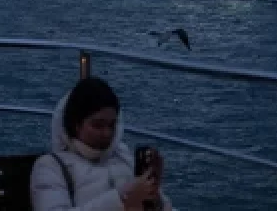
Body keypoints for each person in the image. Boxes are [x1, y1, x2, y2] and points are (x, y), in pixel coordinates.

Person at [30, 76, 174, 211]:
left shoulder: (124, 157)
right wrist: (121, 202)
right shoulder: (50, 166)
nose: (107, 133)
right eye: (98, 125)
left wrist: (155, 197)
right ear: (76, 125)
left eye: (112, 125)